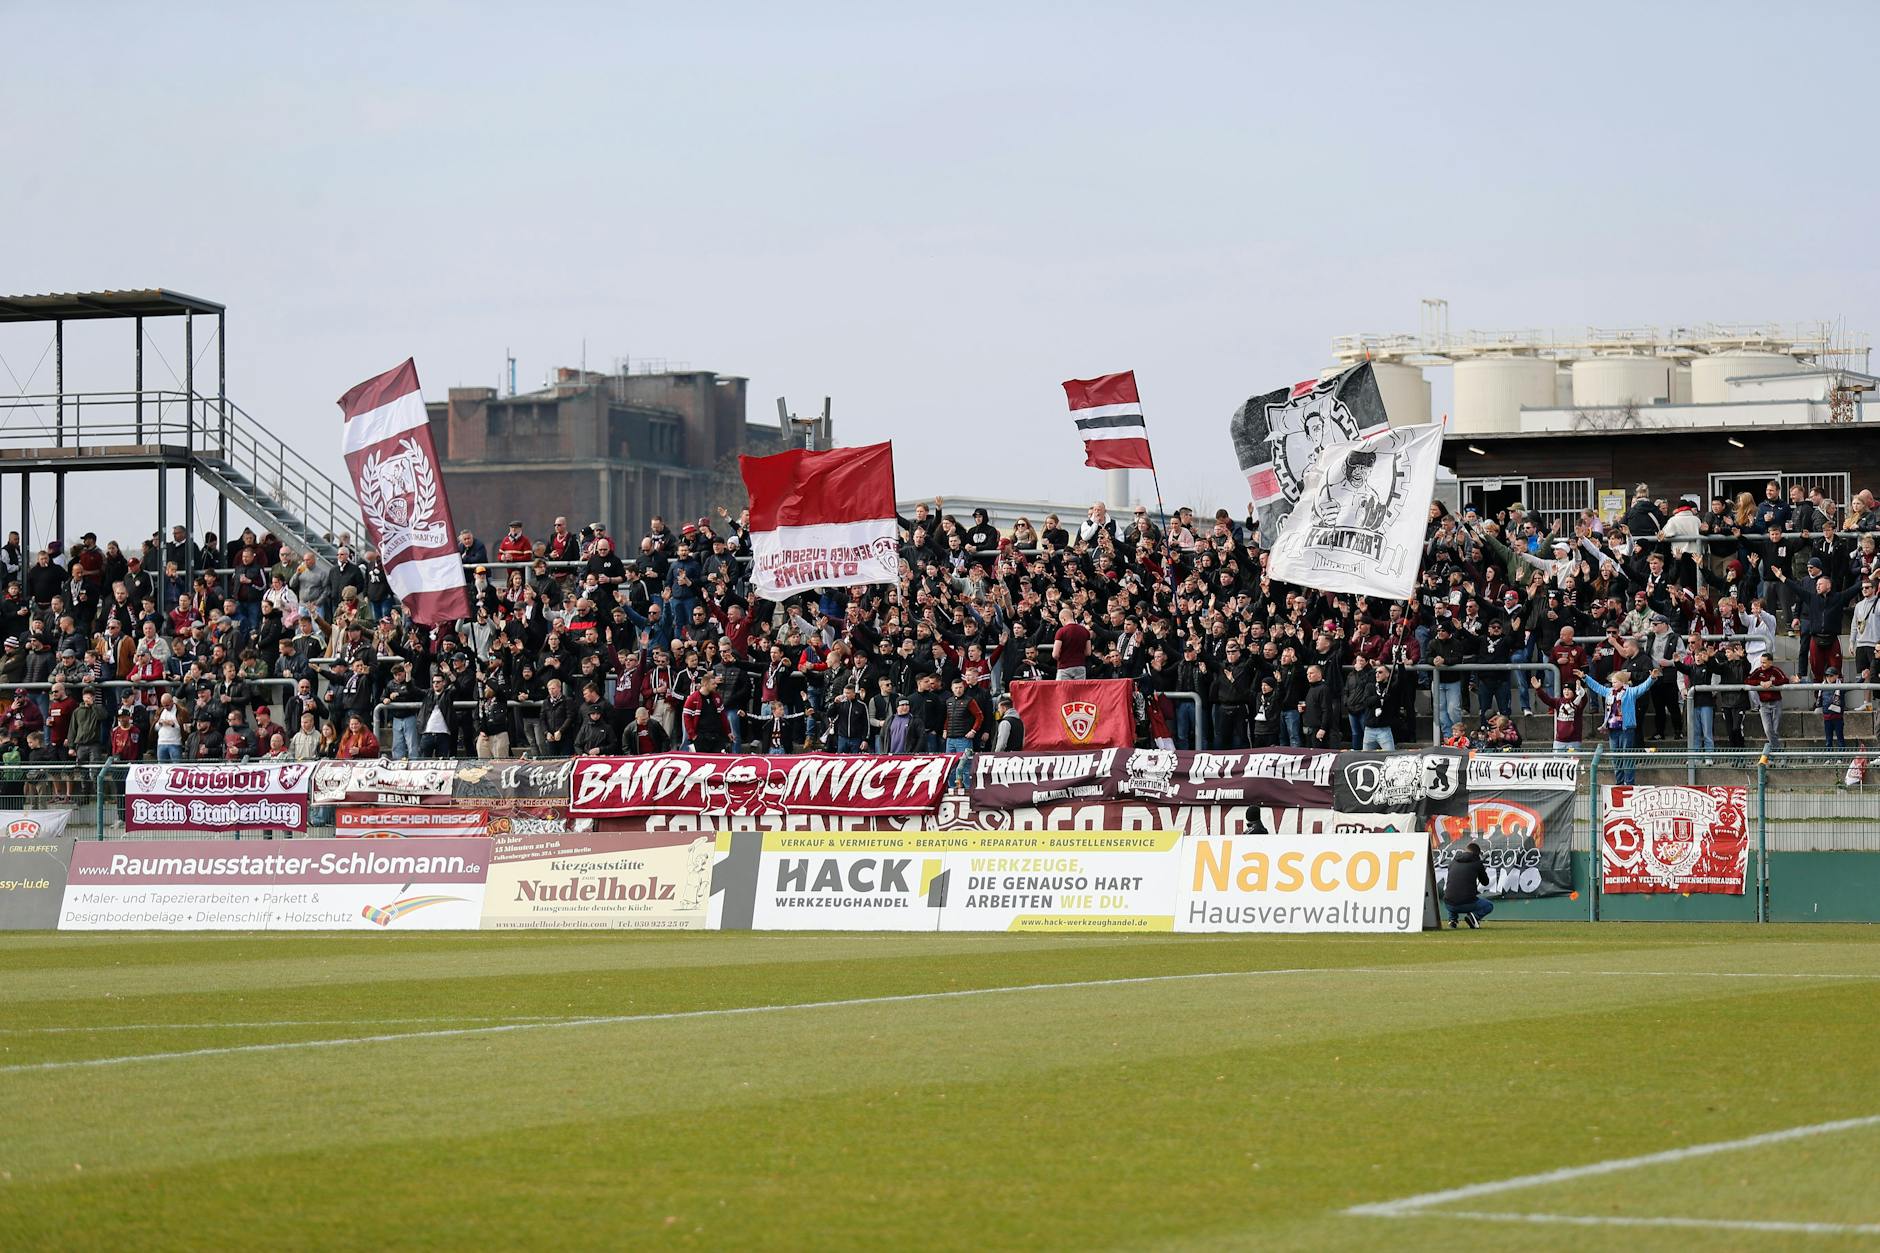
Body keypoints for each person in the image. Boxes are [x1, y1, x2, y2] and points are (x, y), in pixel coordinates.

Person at [1442, 840, 1494, 929]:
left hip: (1448, 904)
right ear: (1477, 854)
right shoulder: (1477, 863)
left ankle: (1452, 920)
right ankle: (1474, 917)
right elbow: (1485, 882)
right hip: (1467, 904)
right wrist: (1480, 869)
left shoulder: (1453, 862)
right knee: (1489, 905)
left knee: (1453, 893)